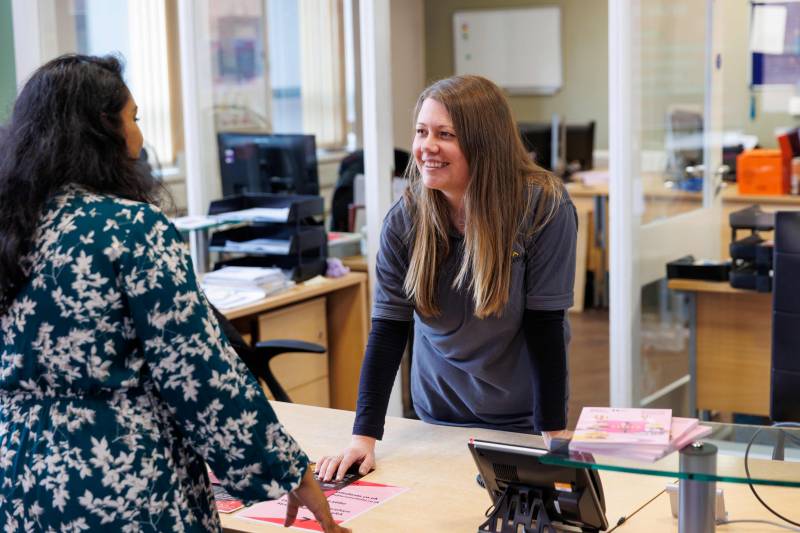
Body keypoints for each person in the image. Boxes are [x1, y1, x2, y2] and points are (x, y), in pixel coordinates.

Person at [0, 54, 348, 532]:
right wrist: (287, 468)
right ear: (105, 130)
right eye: (134, 119)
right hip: (121, 484)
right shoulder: (131, 229)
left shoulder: (10, 231)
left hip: (20, 481)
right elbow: (200, 377)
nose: (141, 137)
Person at [316, 75, 577, 482]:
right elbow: (388, 330)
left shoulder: (543, 206)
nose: (426, 147)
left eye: (445, 134)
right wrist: (362, 438)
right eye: (421, 132)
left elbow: (545, 325)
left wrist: (554, 438)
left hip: (521, 416)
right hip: (436, 413)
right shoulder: (405, 219)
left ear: (483, 143)